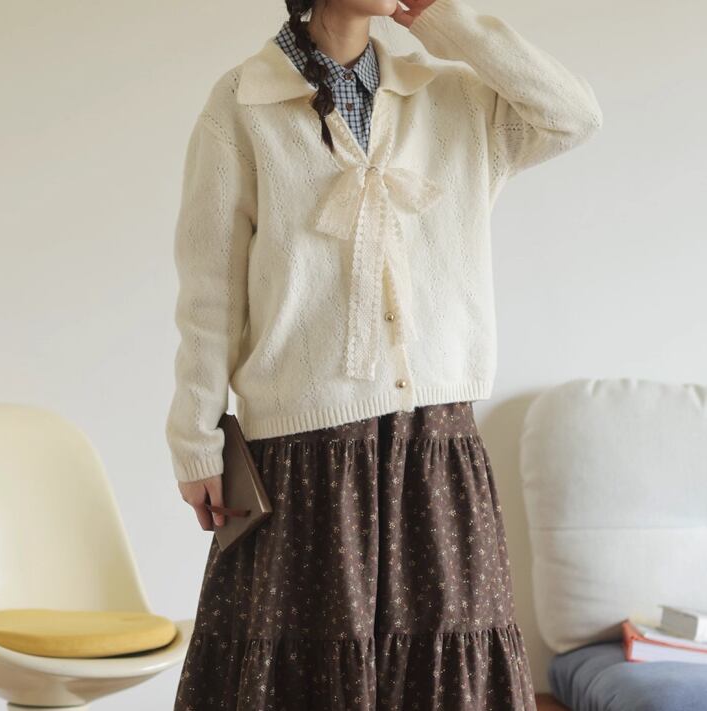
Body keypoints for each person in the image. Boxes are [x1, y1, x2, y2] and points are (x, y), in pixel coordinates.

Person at [165, 0, 602, 708]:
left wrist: (443, 18)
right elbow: (209, 294)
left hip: (436, 449)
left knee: (445, 668)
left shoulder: (451, 95)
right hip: (304, 458)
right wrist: (195, 440)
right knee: (309, 673)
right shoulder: (243, 104)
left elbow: (573, 116)